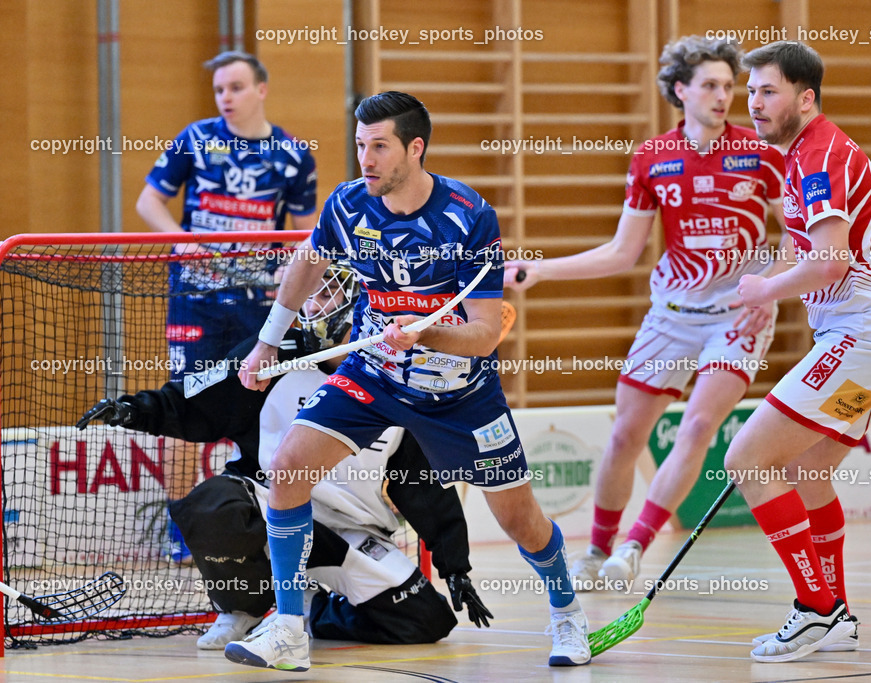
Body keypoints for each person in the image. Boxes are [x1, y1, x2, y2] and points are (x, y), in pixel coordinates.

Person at [232, 91, 590, 672]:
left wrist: (425, 335)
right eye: (359, 145)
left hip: (459, 395)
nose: (365, 159)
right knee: (289, 470)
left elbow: (484, 335)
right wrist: (267, 340)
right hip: (373, 374)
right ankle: (291, 630)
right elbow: (307, 263)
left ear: (414, 148)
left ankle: (567, 612)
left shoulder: (468, 216)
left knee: (520, 521)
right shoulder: (348, 205)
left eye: (379, 146)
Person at [76, 263, 492, 649]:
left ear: (361, 300)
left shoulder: (402, 378)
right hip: (269, 507)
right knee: (213, 504)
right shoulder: (270, 357)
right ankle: (243, 610)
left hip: (347, 531)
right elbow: (194, 401)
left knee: (427, 621)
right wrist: (133, 410)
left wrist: (455, 565)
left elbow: (421, 483)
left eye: (325, 295)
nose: (312, 307)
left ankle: (311, 610)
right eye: (308, 295)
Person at [506, 35, 789, 589]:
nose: (723, 96)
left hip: (739, 313)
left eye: (729, 86)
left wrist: (770, 290)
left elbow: (800, 237)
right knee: (625, 436)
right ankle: (596, 551)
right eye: (710, 85)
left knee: (700, 424)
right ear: (680, 90)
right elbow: (622, 252)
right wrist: (540, 270)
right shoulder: (652, 158)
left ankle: (635, 546)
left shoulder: (762, 153)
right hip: (672, 313)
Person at [723, 40, 871, 663]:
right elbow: (809, 251)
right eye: (751, 91)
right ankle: (834, 616)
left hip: (867, 334)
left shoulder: (818, 157)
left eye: (769, 91)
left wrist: (766, 289)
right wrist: (770, 286)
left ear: (805, 98)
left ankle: (815, 610)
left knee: (747, 458)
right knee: (808, 470)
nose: (754, 103)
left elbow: (830, 261)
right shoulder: (806, 153)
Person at [135, 51, 319, 562]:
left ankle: (259, 519)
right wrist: (183, 241)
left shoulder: (293, 155)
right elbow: (148, 202)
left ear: (261, 89)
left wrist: (288, 270)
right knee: (184, 403)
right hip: (195, 301)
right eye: (219, 90)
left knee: (257, 408)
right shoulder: (195, 139)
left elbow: (306, 232)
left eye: (235, 87)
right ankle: (180, 527)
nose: (225, 98)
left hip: (260, 308)